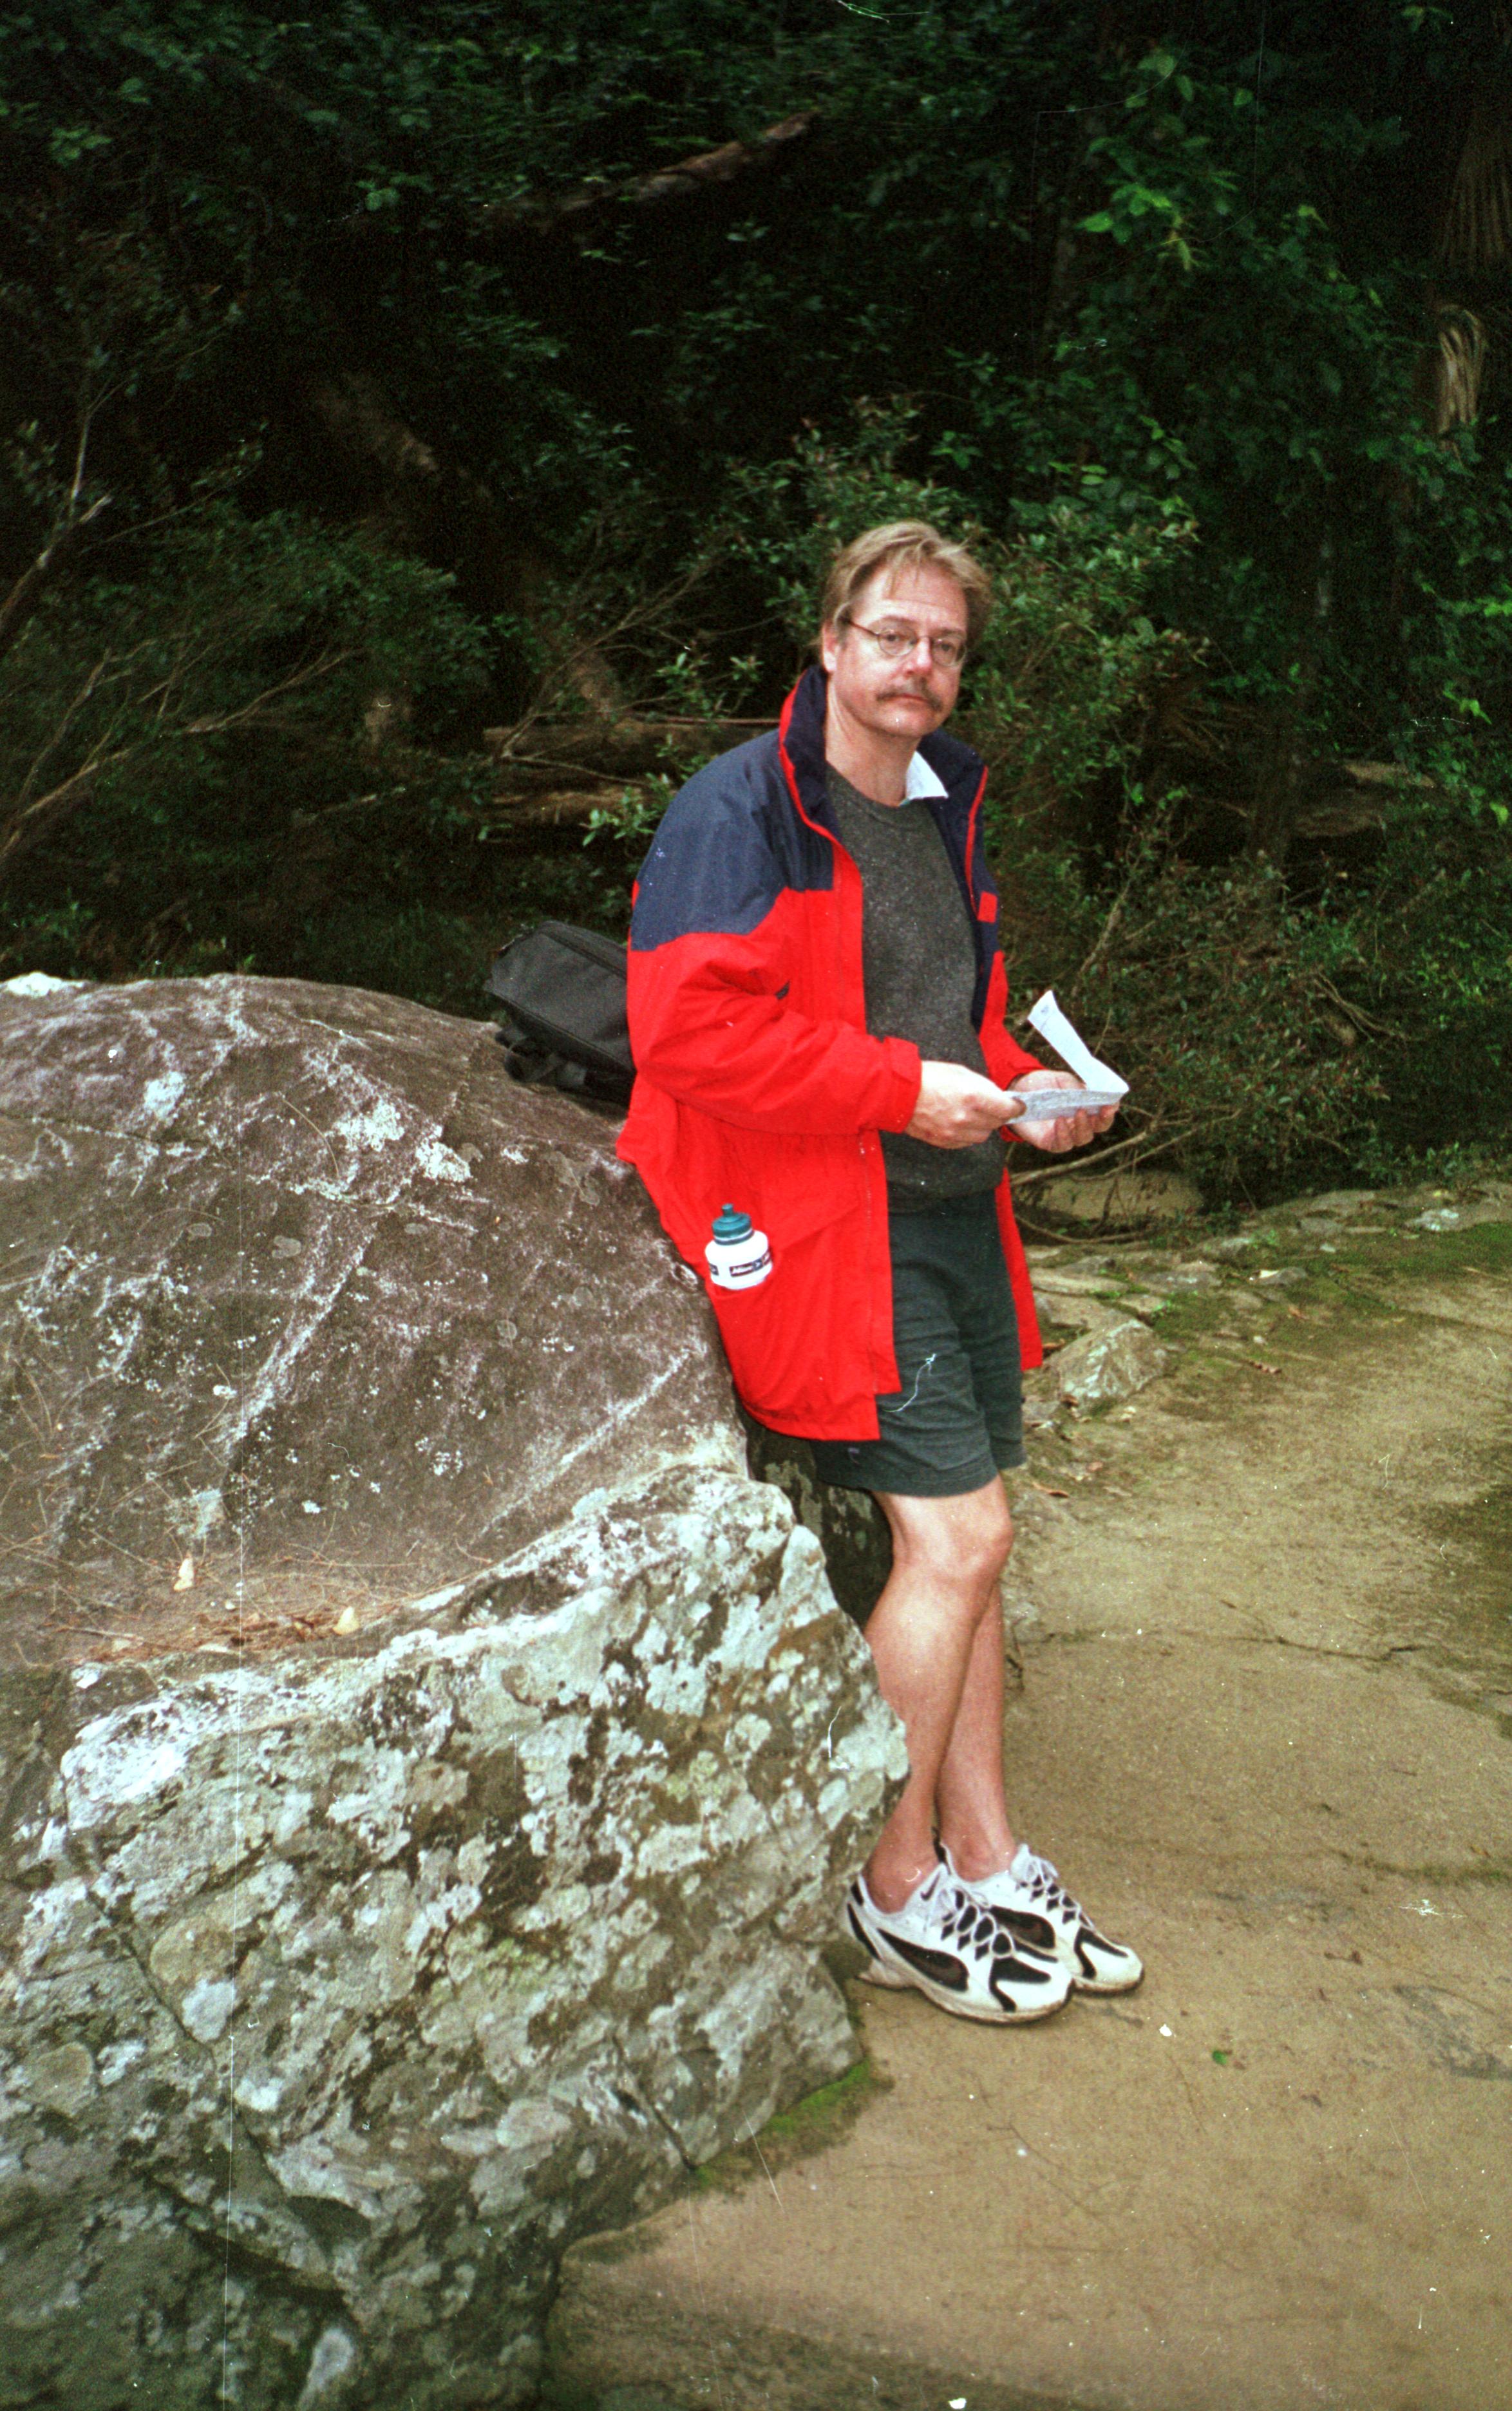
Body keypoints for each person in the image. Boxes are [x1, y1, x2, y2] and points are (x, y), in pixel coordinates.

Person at [618, 520, 1142, 2025]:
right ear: (831, 643)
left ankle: (987, 1855)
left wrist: (1028, 1087)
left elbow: (945, 1020)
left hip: (951, 1208)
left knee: (976, 1546)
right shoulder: (745, 809)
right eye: (894, 635)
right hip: (823, 1221)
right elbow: (689, 1033)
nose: (921, 666)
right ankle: (894, 1885)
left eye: (946, 646)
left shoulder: (936, 805)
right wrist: (901, 1091)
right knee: (958, 1538)